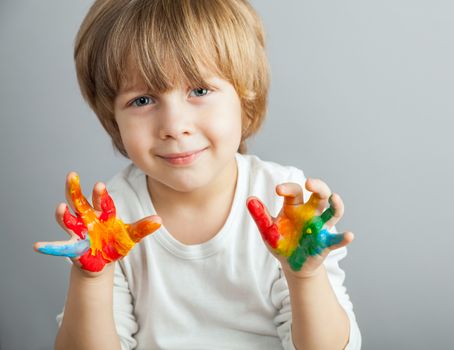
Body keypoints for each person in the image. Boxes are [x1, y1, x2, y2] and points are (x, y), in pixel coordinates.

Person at [33, 0, 362, 349]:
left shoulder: (284, 206)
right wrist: (91, 279)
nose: (174, 127)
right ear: (112, 118)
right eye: (142, 100)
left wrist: (304, 277)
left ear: (245, 98)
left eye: (200, 91)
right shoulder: (112, 221)